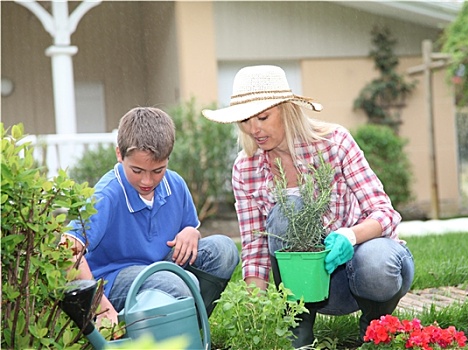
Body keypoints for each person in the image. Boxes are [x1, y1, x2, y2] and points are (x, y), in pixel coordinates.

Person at [202, 65, 415, 348]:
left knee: (377, 261)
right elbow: (255, 247)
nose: (254, 129)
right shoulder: (245, 168)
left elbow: (385, 212)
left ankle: (375, 329)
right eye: (244, 121)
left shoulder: (334, 142)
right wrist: (254, 312)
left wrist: (349, 236)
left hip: (362, 274)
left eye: (263, 117)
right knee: (287, 209)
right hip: (312, 291)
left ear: (287, 109)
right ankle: (299, 333)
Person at [63, 107, 239, 329]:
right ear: (119, 154)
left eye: (158, 170)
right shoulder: (106, 195)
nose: (147, 180)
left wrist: (190, 232)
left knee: (224, 250)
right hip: (113, 281)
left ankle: (190, 329)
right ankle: (156, 333)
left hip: (159, 269)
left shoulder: (175, 184)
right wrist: (99, 304)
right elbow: (68, 248)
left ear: (167, 159)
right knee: (176, 283)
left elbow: (191, 232)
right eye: (137, 170)